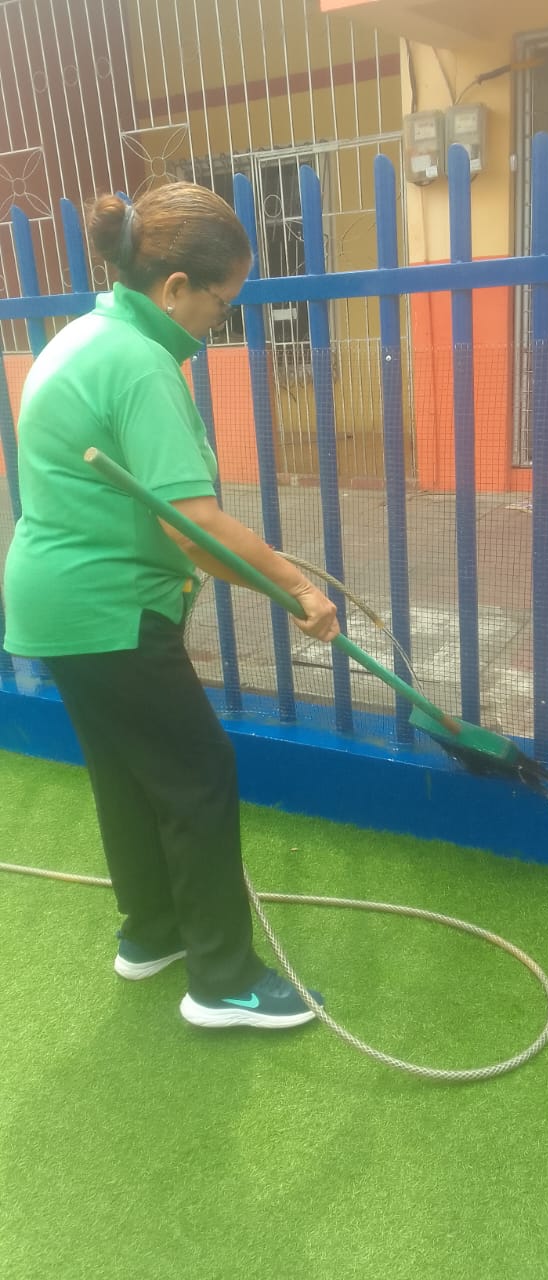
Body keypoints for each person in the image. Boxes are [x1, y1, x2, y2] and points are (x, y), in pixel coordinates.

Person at [3, 183, 340, 1031]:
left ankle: (151, 931)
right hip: (108, 607)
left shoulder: (84, 336)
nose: (217, 325)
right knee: (197, 772)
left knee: (128, 771)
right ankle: (223, 981)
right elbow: (193, 527)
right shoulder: (139, 362)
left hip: (56, 602)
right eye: (221, 306)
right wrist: (296, 588)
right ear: (176, 286)